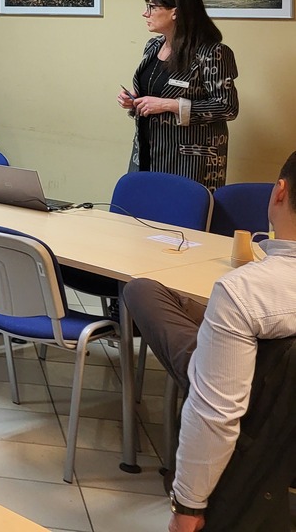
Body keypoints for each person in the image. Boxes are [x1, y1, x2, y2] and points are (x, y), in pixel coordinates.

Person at [122, 151, 296, 530]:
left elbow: (216, 414)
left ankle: (208, 336)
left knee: (141, 290)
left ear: (279, 192)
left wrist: (187, 506)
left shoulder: (245, 291)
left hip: (245, 396)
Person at [115, 0, 239, 189]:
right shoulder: (153, 46)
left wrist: (169, 105)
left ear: (175, 12)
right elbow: (155, 91)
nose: (145, 13)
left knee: (179, 208)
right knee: (141, 205)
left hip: (189, 160)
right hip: (146, 151)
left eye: (152, 7)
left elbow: (227, 107)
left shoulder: (213, 52)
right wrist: (135, 99)